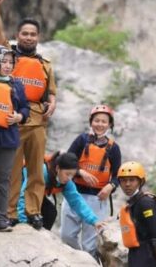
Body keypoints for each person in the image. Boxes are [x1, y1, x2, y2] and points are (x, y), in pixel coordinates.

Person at [0, 0, 57, 229]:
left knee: (37, 171)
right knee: (12, 170)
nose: (28, 37)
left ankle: (33, 211)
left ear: (38, 37)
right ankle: (10, 213)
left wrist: (53, 100)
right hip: (13, 121)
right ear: (18, 35)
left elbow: (51, 91)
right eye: (24, 33)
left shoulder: (45, 64)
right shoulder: (8, 56)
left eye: (33, 34)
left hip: (37, 121)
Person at [61, 104, 122, 259]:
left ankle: (88, 262)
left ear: (110, 125)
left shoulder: (114, 148)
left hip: (97, 198)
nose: (100, 124)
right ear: (91, 122)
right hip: (73, 194)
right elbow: (66, 162)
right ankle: (76, 260)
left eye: (104, 121)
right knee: (67, 236)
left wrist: (111, 186)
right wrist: (81, 172)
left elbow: (117, 176)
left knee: (90, 244)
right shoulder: (81, 140)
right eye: (96, 120)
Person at [0, 45, 29, 232]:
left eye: (11, 62)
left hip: (7, 138)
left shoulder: (16, 84)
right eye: (4, 62)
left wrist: (19, 117)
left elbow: (25, 108)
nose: (9, 66)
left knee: (2, 179)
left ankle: (0, 218)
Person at [17, 152, 105, 234]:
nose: (69, 178)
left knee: (50, 212)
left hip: (35, 196)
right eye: (67, 174)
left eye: (72, 175)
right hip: (16, 191)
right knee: (42, 212)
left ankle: (41, 236)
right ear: (58, 168)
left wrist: (94, 221)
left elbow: (77, 202)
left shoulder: (66, 182)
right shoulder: (42, 172)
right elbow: (24, 195)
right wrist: (22, 223)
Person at [118, 161, 156, 267]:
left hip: (147, 256)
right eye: (123, 180)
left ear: (140, 182)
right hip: (136, 255)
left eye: (132, 180)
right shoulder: (133, 202)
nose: (127, 184)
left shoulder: (145, 203)